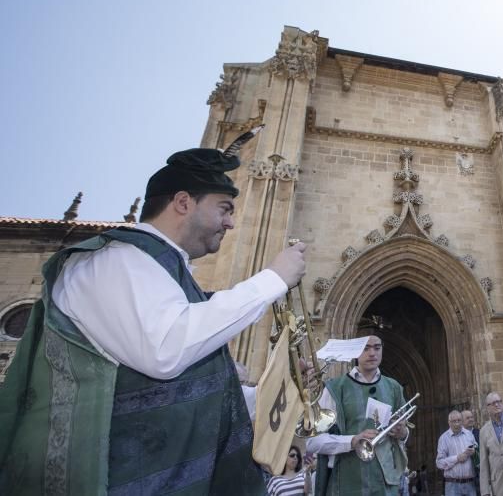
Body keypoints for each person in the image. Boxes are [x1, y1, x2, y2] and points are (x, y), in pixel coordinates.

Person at [0, 146, 308, 495]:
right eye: (224, 208)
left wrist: (282, 384)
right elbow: (165, 349)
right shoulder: (115, 260)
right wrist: (272, 279)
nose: (231, 222)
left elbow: (200, 392)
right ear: (182, 202)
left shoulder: (165, 272)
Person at [307, 336, 409, 496]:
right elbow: (312, 441)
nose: (372, 353)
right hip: (347, 481)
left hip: (386, 485)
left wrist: (402, 433)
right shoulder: (335, 388)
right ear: (355, 352)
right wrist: (352, 441)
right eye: (365, 348)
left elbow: (402, 434)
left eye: (377, 348)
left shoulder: (394, 387)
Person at [437, 410, 478, 496]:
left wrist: (474, 452)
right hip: (452, 485)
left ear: (462, 421)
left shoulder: (469, 435)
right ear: (449, 422)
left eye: (459, 420)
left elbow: (477, 453)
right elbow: (439, 463)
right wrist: (457, 458)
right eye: (454, 421)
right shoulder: (444, 438)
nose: (457, 424)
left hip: (470, 483)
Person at [462, 409, 482, 495]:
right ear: (462, 421)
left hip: (479, 474)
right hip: (464, 476)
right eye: (467, 418)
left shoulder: (480, 433)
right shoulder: (457, 436)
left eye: (471, 417)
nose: (471, 419)